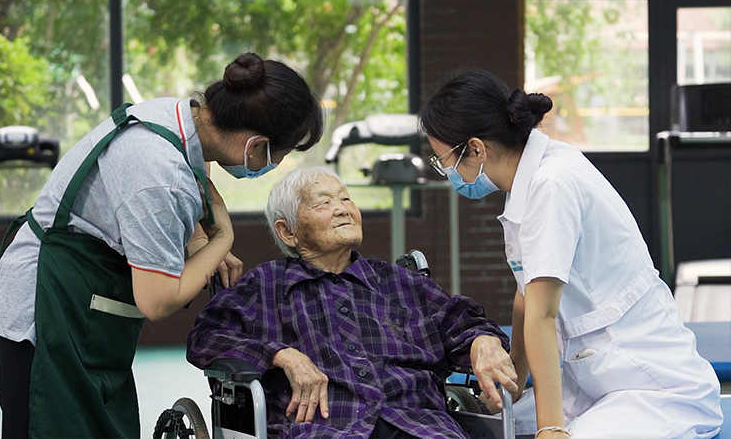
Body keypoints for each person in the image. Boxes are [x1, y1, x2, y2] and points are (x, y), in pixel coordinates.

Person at [0, 52, 324, 439]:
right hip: (38, 320)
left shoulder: (183, 117)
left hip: (78, 310)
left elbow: (197, 171)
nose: (276, 164)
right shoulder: (159, 175)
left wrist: (198, 240)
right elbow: (157, 300)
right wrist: (221, 239)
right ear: (255, 145)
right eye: (281, 154)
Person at [419, 68, 723, 439]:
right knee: (479, 427)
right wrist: (512, 389)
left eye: (443, 160)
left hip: (653, 388)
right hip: (598, 382)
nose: (446, 171)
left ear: (477, 149)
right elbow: (526, 296)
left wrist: (550, 428)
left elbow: (542, 315)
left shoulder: (553, 183)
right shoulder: (528, 180)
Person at [187, 166, 517, 439]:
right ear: (288, 232)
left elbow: (463, 321)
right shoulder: (265, 286)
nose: (344, 208)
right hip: (326, 428)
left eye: (346, 199)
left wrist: (483, 340)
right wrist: (281, 355)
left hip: (419, 425)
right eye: (323, 202)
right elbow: (206, 338)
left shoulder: (399, 282)